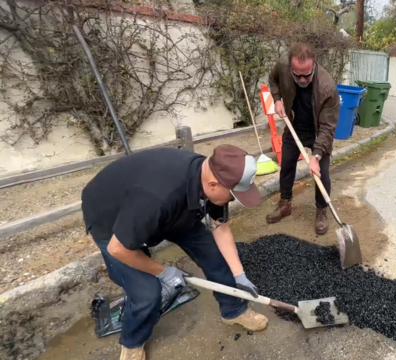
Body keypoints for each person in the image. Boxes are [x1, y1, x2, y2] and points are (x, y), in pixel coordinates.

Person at [81, 145, 268, 360]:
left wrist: (239, 274)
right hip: (110, 220)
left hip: (168, 212)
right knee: (147, 292)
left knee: (216, 257)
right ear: (213, 184)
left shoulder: (212, 177)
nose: (233, 199)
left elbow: (220, 227)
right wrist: (163, 272)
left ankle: (234, 310)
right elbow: (119, 249)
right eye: (233, 195)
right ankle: (132, 343)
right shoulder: (157, 197)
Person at [267, 42, 340, 235]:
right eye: (296, 74)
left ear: (314, 64)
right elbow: (272, 80)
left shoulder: (327, 87)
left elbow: (327, 127)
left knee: (321, 173)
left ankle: (321, 210)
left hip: (318, 130)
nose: (301, 79)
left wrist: (315, 156)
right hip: (295, 125)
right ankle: (285, 203)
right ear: (290, 66)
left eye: (306, 74)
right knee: (287, 165)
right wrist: (276, 99)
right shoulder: (283, 66)